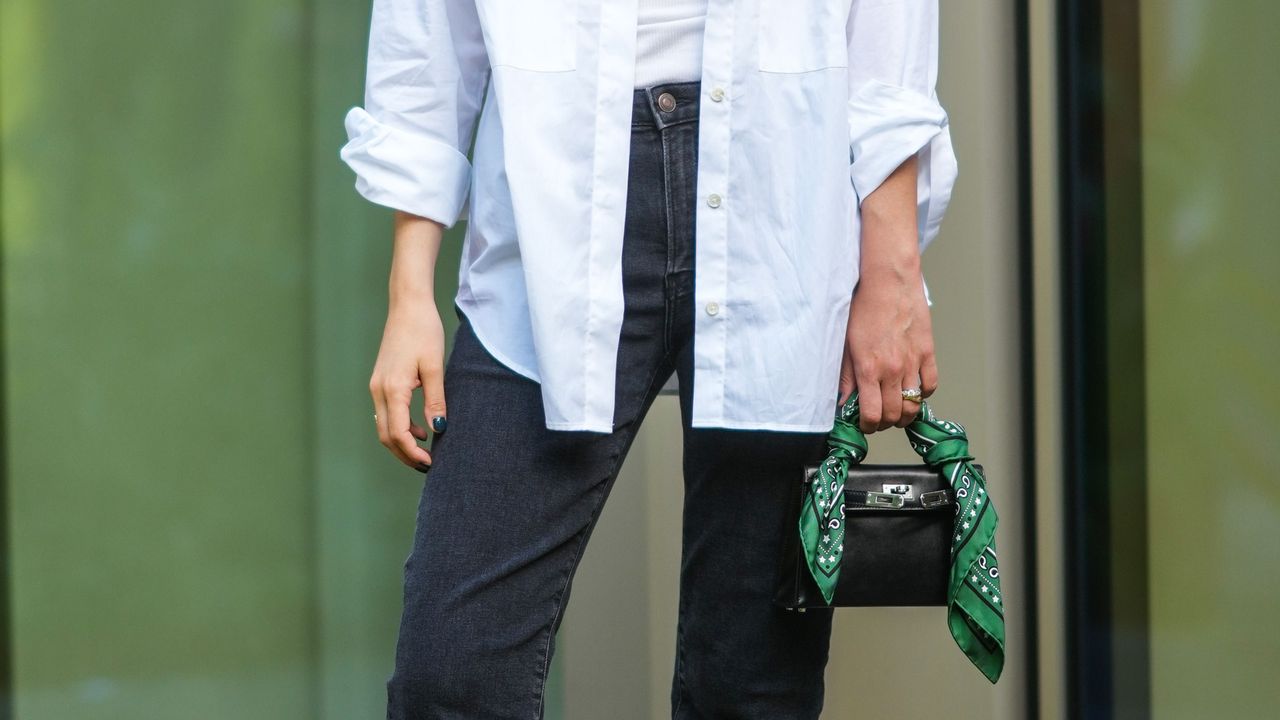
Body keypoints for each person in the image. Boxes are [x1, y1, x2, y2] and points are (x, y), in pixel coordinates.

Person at [340, 0, 956, 716]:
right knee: (451, 675)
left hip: (785, 193)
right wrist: (409, 290)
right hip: (550, 204)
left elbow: (890, 39)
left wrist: (893, 272)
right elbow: (427, 40)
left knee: (750, 684)